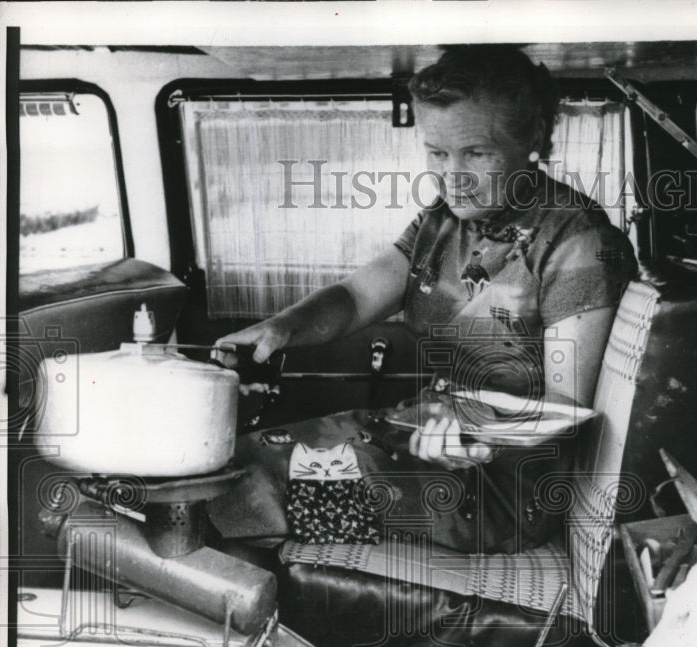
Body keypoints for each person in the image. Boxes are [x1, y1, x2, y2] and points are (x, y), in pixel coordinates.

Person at [208, 45, 637, 555]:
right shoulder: (445, 219)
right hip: (420, 436)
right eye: (437, 153)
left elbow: (561, 410)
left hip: (498, 490)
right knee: (228, 459)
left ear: (535, 139)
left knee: (242, 483)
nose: (452, 176)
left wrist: (469, 434)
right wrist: (283, 326)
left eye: (477, 153)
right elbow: (355, 296)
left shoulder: (577, 241)